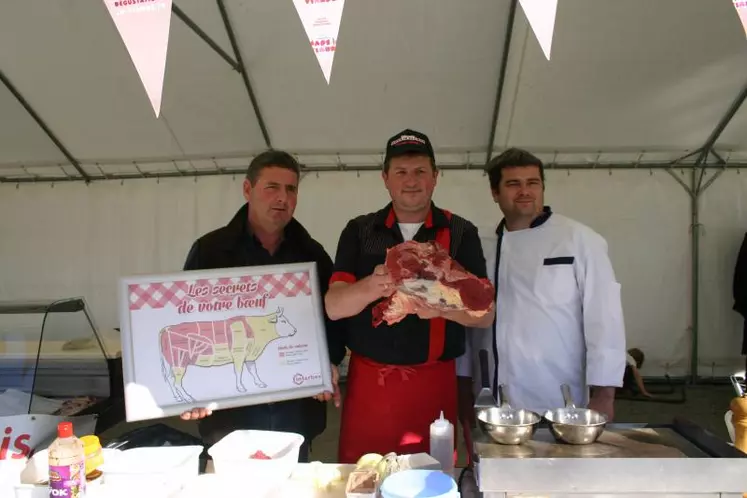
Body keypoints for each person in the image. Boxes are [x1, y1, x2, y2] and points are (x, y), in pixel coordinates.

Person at [324, 128, 495, 464]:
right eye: (401, 172)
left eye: (420, 171)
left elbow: (485, 312)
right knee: (364, 476)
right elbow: (333, 306)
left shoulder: (460, 231)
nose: (411, 181)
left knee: (432, 479)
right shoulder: (360, 230)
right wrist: (373, 286)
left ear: (435, 177)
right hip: (370, 385)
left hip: (435, 382)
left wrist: (440, 305)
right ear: (385, 178)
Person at [177, 150, 346, 462]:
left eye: (291, 189)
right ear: (247, 189)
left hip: (295, 418)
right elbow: (190, 323)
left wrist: (327, 364)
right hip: (229, 421)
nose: (282, 198)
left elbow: (333, 324)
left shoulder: (313, 254)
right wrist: (193, 385)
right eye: (272, 187)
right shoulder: (210, 251)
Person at [459, 147, 626, 420]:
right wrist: (463, 380)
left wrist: (604, 393)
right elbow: (465, 317)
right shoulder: (480, 244)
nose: (525, 191)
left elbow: (604, 317)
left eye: (532, 183)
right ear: (495, 193)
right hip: (490, 394)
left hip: (559, 393)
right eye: (513, 184)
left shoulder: (579, 240)